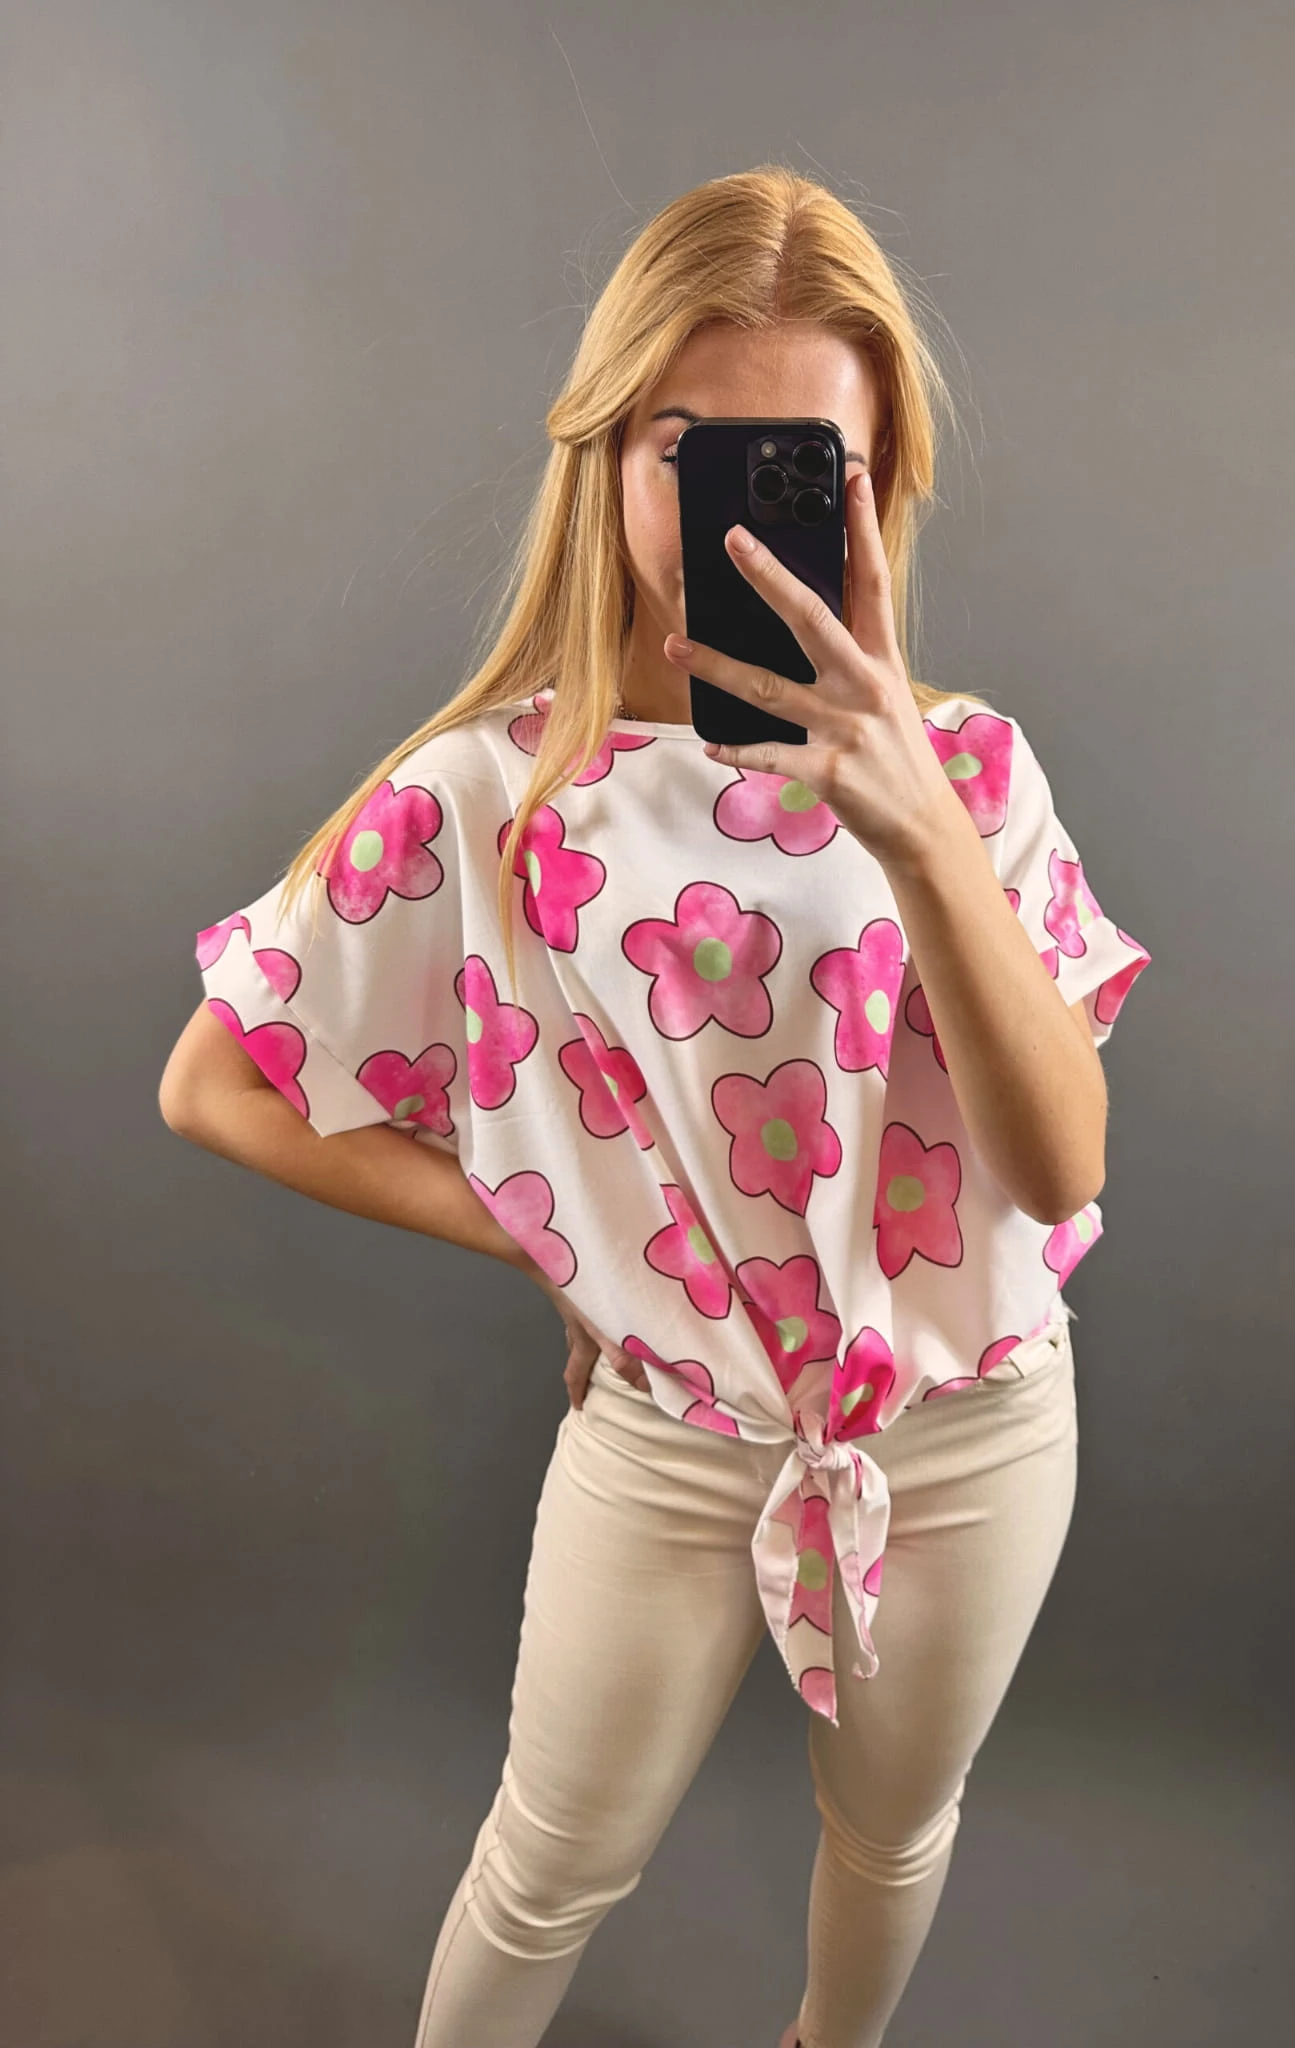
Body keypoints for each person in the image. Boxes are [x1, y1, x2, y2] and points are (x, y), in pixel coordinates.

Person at [159, 165, 1151, 2048]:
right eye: (687, 450)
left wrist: (919, 837)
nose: (739, 519)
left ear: (878, 484)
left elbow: (1061, 1166)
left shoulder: (972, 773)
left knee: (893, 1832)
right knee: (546, 1863)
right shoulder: (493, 797)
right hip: (674, 1427)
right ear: (605, 449)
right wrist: (564, 1237)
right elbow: (215, 1084)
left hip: (969, 1422)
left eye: (803, 465)